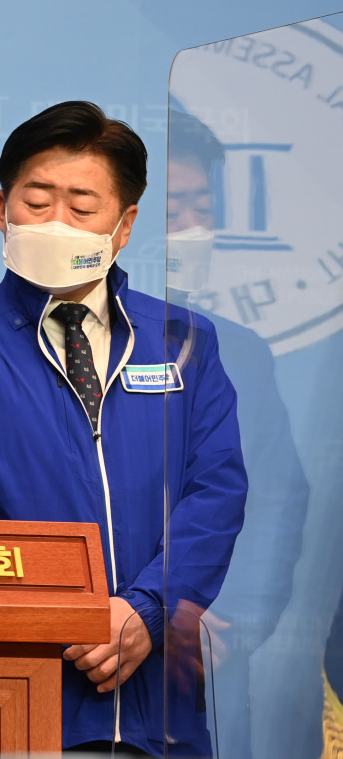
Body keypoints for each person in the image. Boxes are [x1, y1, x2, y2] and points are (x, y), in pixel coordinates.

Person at [0, 101, 248, 756]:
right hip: (24, 695)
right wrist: (71, 614)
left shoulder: (182, 340)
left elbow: (215, 493)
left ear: (124, 226)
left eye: (82, 206)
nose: (56, 222)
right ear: (2, 206)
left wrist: (146, 609)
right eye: (37, 201)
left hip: (161, 703)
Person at [165, 109, 309, 759]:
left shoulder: (240, 353)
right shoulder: (37, 346)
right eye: (174, 209)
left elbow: (277, 497)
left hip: (203, 670)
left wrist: (228, 624)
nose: (192, 229)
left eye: (203, 207)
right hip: (85, 655)